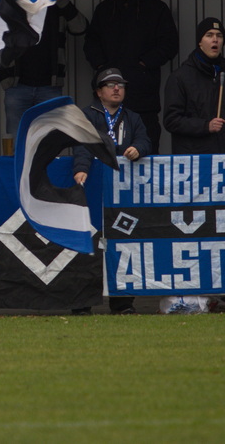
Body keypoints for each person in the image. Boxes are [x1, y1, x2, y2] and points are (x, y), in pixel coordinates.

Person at [72, 67, 151, 315]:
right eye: (110, 84)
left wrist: (138, 148)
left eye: (121, 85)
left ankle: (123, 303)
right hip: (94, 189)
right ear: (99, 91)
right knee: (88, 244)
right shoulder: (87, 115)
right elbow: (82, 144)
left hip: (124, 193)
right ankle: (82, 303)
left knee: (124, 245)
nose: (117, 88)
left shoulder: (133, 117)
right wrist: (81, 168)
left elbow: (145, 140)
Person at [83, 0, 179, 153]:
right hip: (107, 98)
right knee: (105, 152)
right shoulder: (104, 10)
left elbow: (169, 44)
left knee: (144, 149)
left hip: (142, 97)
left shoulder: (155, 9)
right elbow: (91, 43)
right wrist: (101, 67)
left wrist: (143, 64)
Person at [0, 0, 87, 135]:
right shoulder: (16, 8)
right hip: (17, 87)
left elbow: (80, 27)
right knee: (18, 138)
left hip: (49, 87)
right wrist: (5, 79)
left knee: (50, 138)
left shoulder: (59, 9)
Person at [163, 18, 225, 155]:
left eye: (219, 36)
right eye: (209, 35)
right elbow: (171, 120)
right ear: (200, 41)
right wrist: (206, 126)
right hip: (194, 159)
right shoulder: (180, 77)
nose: (215, 40)